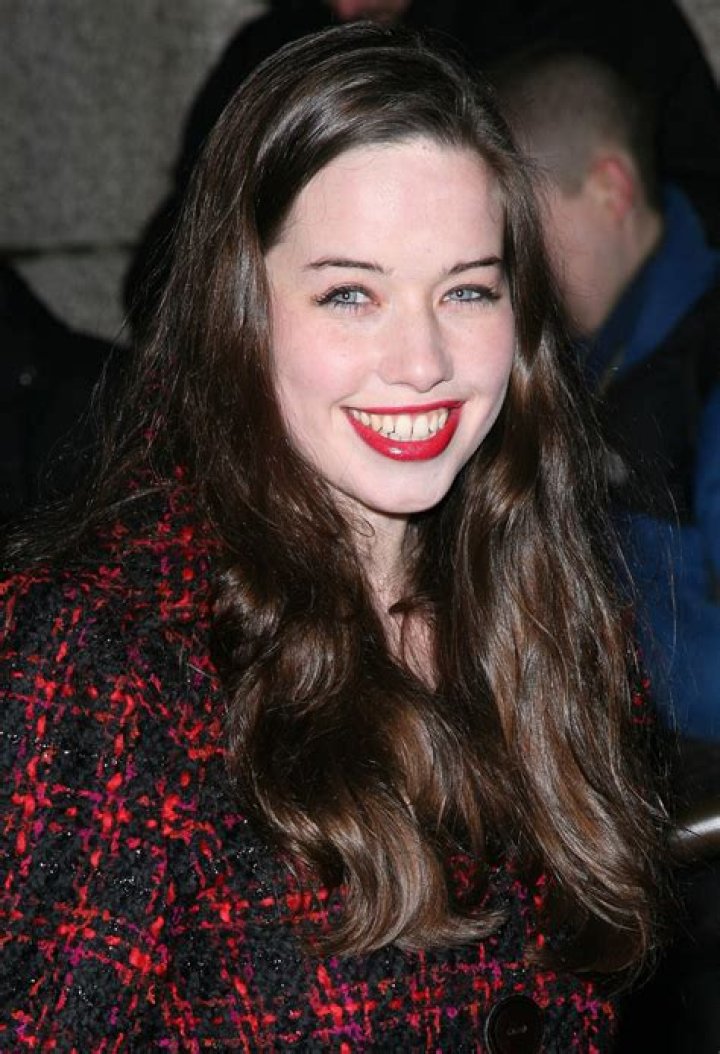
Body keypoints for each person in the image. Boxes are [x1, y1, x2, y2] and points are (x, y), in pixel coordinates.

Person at [0, 25, 668, 1050]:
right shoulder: (106, 657)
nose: (422, 361)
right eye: (351, 294)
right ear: (241, 310)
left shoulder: (555, 614)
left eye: (467, 289)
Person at [125, 0, 720, 341]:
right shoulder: (273, 53)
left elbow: (695, 205)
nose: (345, 7)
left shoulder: (588, 17)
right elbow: (172, 269)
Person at [493, 50, 720, 748]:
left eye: (527, 229)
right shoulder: (577, 359)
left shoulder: (703, 369)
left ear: (610, 190)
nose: (512, 267)